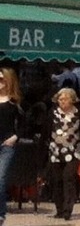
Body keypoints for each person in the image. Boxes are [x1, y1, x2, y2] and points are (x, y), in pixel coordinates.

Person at [44, 88, 80, 220]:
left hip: (74, 151)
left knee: (69, 177)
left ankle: (68, 210)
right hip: (56, 150)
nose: (62, 102)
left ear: (72, 100)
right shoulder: (52, 113)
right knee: (57, 180)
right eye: (60, 99)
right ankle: (59, 209)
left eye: (65, 99)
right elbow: (46, 130)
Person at [0, 70, 19, 221]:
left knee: (0, 178)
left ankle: (0, 213)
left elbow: (26, 125)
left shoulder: (14, 103)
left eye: (1, 79)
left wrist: (15, 137)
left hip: (6, 145)